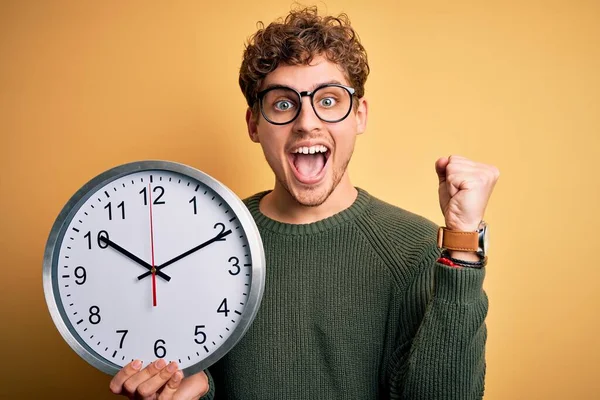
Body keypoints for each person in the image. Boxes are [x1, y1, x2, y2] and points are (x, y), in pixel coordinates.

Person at [109, 7, 499, 400]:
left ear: (359, 115)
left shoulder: (418, 249)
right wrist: (190, 390)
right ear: (253, 125)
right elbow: (197, 376)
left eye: (328, 101)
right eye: (282, 103)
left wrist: (462, 247)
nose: (306, 122)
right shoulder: (204, 240)